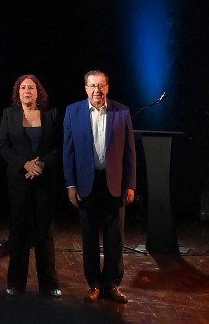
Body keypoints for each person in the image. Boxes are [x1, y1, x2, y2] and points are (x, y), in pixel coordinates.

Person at [63, 70, 136, 304]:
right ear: (85, 89)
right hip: (87, 184)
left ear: (107, 87)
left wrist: (130, 184)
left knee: (115, 238)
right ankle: (94, 284)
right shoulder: (73, 111)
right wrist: (71, 185)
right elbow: (68, 152)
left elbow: (130, 153)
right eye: (92, 86)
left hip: (114, 183)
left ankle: (112, 284)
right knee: (90, 237)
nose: (97, 90)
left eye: (101, 85)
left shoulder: (121, 111)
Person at [0, 74, 62, 297]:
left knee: (45, 231)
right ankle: (16, 283)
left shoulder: (51, 114)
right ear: (18, 92)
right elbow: (3, 146)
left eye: (31, 88)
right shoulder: (9, 114)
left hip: (44, 179)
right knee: (19, 232)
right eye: (23, 87)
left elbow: (57, 146)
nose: (27, 91)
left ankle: (50, 283)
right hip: (19, 180)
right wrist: (24, 164)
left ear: (38, 93)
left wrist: (40, 165)